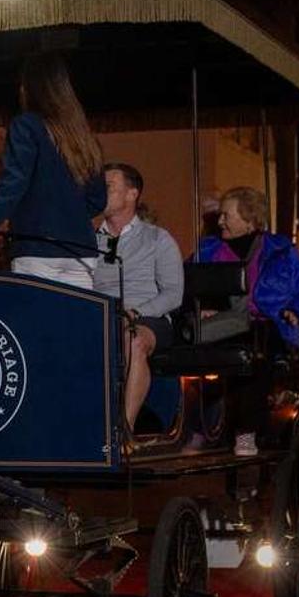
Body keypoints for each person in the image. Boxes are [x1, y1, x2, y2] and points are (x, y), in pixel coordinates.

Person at [0, 53, 107, 288]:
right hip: (81, 250)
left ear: (28, 88)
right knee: (74, 323)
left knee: (39, 322)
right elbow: (98, 199)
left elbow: (14, 181)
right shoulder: (83, 135)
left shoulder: (26, 125)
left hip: (37, 247)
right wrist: (66, 214)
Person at [195, 186, 299, 455]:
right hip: (223, 326)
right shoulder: (208, 251)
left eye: (227, 215)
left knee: (256, 352)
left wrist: (295, 310)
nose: (221, 221)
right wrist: (204, 306)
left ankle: (246, 432)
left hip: (268, 326)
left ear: (249, 220)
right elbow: (187, 285)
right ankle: (199, 427)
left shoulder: (281, 251)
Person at [91, 163, 185, 434]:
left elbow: (173, 294)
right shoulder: (88, 240)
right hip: (101, 316)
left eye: (108, 187)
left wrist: (136, 311)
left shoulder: (157, 238)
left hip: (148, 318)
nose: (101, 194)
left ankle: (125, 432)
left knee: (134, 340)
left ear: (132, 194)